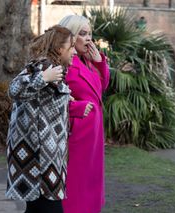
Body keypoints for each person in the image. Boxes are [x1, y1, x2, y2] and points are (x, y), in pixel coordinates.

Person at [6, 25, 76, 213]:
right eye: (71, 47)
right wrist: (43, 77)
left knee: (38, 209)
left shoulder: (57, 71)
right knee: (50, 209)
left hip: (48, 158)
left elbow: (42, 100)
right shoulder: (42, 66)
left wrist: (64, 97)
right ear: (60, 48)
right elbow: (14, 89)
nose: (74, 51)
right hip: (36, 159)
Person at [58, 15, 110, 213]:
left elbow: (100, 90)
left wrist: (99, 63)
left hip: (93, 132)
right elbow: (51, 99)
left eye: (90, 34)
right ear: (70, 37)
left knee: (91, 183)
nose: (88, 39)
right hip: (77, 133)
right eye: (82, 34)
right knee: (77, 186)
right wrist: (76, 109)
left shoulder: (86, 61)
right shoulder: (64, 63)